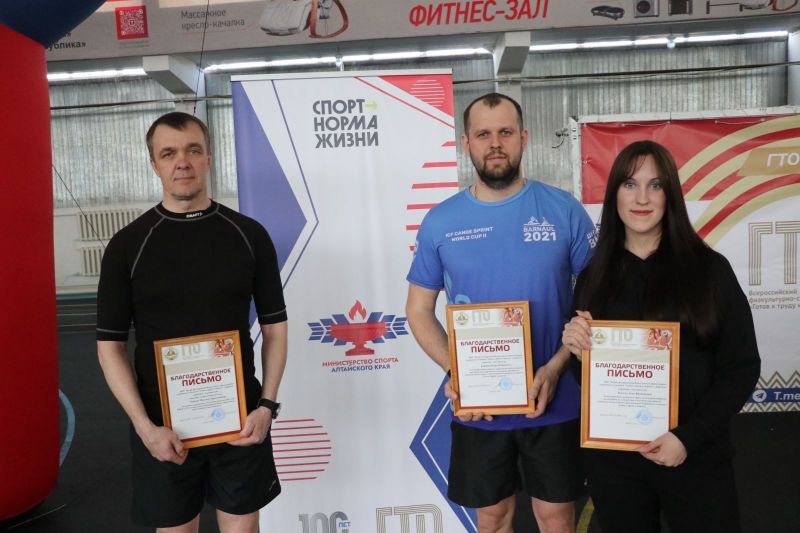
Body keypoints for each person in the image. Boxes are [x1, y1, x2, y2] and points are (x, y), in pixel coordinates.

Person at [406, 93, 597, 533]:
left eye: (505, 132)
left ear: (523, 138)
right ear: (466, 143)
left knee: (556, 519)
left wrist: (557, 367)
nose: (495, 143)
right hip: (480, 408)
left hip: (556, 397)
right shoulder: (441, 222)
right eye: (484, 134)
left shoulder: (564, 210)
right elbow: (418, 310)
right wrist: (458, 372)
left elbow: (595, 305)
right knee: (492, 520)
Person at [96, 112, 288, 532]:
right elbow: (109, 348)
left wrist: (266, 407)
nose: (181, 162)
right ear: (154, 164)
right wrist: (145, 428)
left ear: (209, 158)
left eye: (192, 150)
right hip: (163, 428)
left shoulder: (249, 235)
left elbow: (275, 328)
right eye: (168, 153)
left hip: (241, 421)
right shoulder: (127, 246)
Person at [561, 140, 760, 533]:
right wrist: (579, 354)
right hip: (616, 465)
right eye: (630, 184)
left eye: (655, 185)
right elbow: (588, 381)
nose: (642, 198)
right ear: (614, 193)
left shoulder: (710, 271)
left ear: (671, 195)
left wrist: (687, 438)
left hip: (696, 456)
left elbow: (741, 367)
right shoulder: (593, 278)